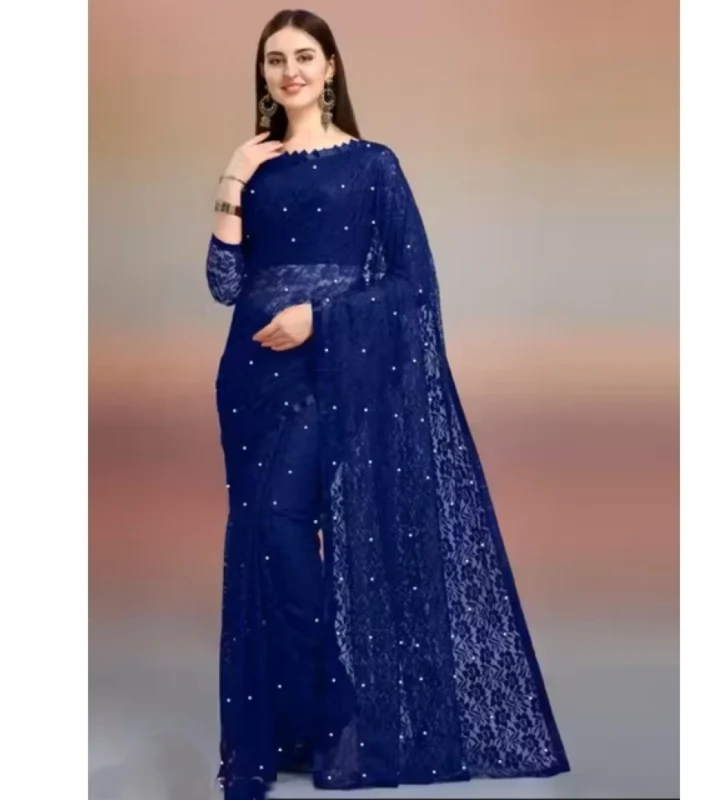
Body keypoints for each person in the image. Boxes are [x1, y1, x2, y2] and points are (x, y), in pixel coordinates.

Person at [206, 9, 570, 800]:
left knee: (287, 530)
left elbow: (413, 286)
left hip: (332, 373)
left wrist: (320, 318)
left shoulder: (372, 166)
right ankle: (295, 728)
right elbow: (225, 284)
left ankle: (342, 708)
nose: (290, 71)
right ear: (263, 73)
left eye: (305, 56)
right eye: (275, 59)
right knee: (264, 539)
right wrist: (232, 180)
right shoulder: (255, 166)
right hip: (252, 381)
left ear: (331, 67)